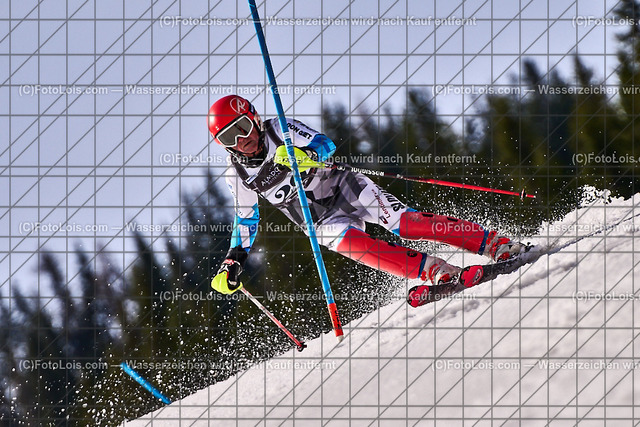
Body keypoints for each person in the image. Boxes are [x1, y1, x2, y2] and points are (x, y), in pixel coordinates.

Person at [208, 95, 527, 307]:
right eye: (229, 137)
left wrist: (305, 154)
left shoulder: (280, 129)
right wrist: (233, 260)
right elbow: (246, 219)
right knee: (359, 248)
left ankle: (496, 244)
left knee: (405, 224)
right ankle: (438, 272)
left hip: (346, 187)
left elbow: (324, 143)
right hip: (319, 220)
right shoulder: (237, 175)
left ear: (254, 118)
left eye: (243, 127)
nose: (242, 140)